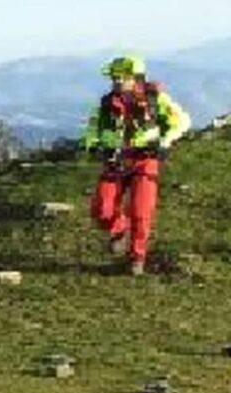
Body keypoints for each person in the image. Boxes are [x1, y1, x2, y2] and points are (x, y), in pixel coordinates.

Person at [82, 55, 192, 276]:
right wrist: (93, 145)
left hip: (145, 159)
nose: (115, 82)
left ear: (135, 78)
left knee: (142, 211)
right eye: (113, 78)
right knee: (102, 209)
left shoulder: (155, 100)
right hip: (115, 160)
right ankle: (119, 231)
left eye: (120, 78)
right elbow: (93, 129)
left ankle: (137, 258)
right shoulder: (106, 104)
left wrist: (165, 142)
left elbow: (182, 121)